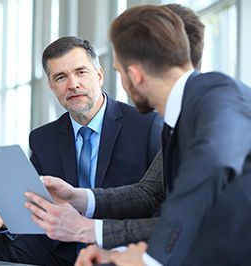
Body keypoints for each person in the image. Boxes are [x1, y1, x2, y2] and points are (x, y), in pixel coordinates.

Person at [75, 5, 251, 266]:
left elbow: (213, 159)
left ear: (135, 76)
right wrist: (116, 256)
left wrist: (149, 259)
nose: (122, 82)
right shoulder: (175, 121)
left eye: (120, 72)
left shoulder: (217, 91)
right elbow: (166, 202)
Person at [24, 2, 205, 250]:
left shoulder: (208, 111)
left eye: (120, 69)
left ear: (138, 71)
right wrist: (77, 197)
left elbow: (196, 221)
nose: (121, 79)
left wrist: (92, 233)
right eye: (62, 77)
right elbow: (148, 193)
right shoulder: (186, 115)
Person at [0, 36, 162, 265]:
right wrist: (4, 215)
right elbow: (35, 202)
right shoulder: (42, 138)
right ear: (51, 86)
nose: (73, 84)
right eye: (61, 77)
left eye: (81, 72)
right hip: (62, 248)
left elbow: (156, 203)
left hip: (120, 246)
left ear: (99, 75)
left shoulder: (146, 125)